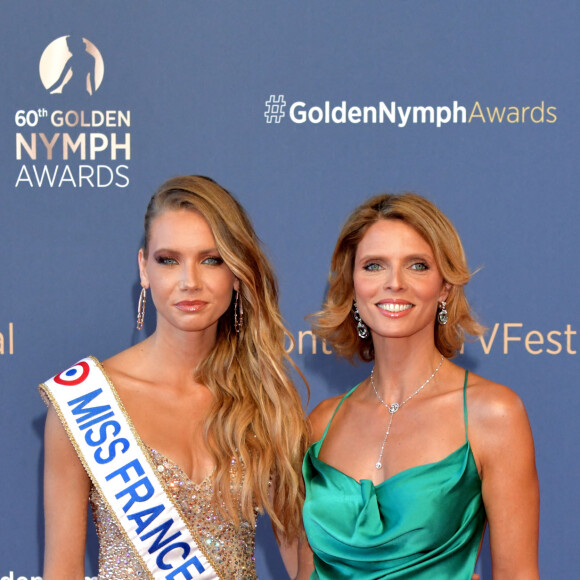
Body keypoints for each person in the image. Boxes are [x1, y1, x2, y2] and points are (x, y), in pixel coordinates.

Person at [40, 175, 309, 579]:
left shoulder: (266, 400)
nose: (190, 282)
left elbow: (305, 566)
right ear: (143, 269)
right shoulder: (84, 402)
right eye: (169, 260)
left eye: (211, 259)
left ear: (236, 274)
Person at [300, 193, 539, 579]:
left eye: (417, 266)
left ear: (444, 286)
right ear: (353, 284)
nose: (394, 283)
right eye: (374, 266)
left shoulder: (492, 414)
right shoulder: (320, 424)